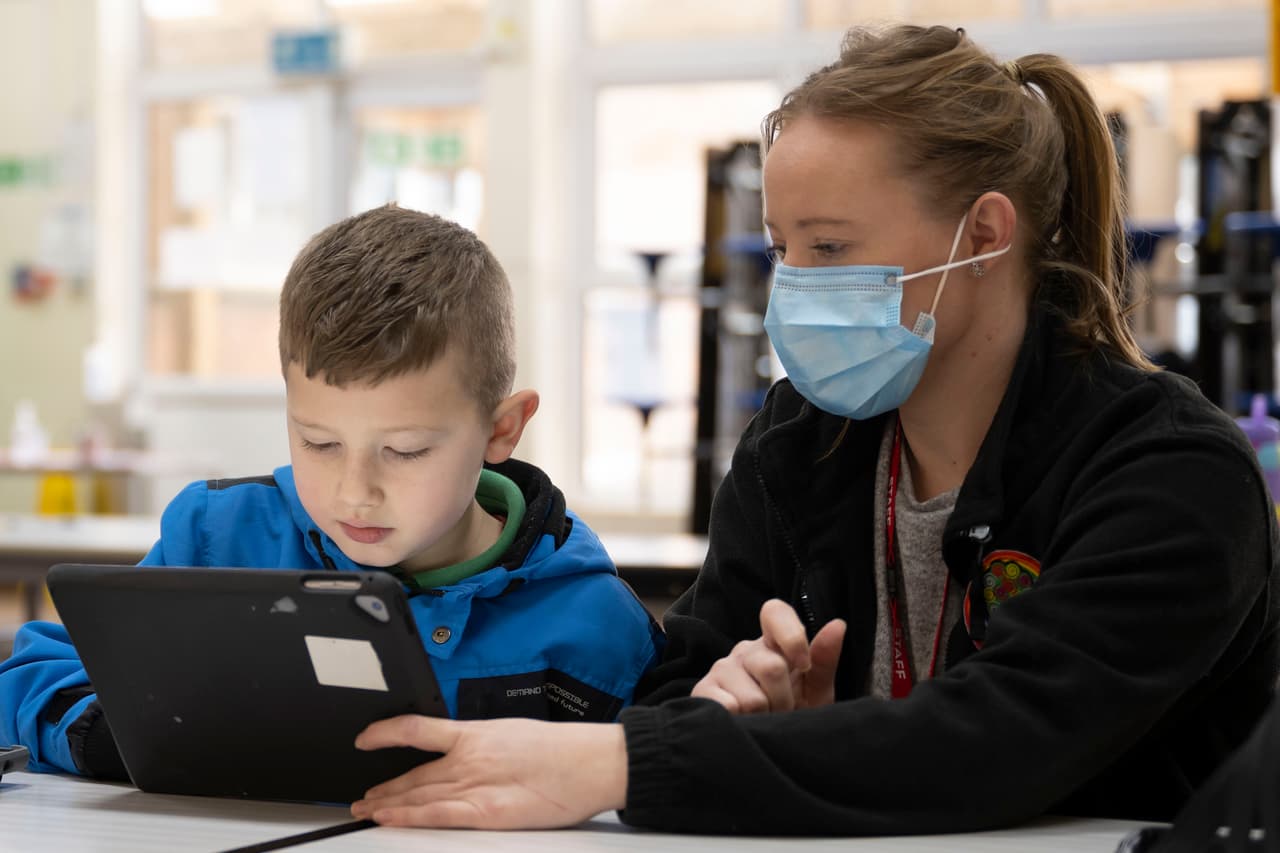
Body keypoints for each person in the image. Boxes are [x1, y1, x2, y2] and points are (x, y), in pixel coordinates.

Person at [336, 25, 1280, 835]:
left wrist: (614, 764)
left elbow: (1008, 736)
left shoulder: (1170, 469)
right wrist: (740, 709)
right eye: (784, 248)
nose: (795, 283)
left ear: (986, 234)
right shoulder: (800, 439)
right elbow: (676, 683)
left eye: (830, 247)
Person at [0, 205, 663, 779]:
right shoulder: (217, 539)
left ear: (502, 429)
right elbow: (33, 672)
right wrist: (108, 734)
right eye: (318, 442)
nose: (354, 493)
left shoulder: (595, 624)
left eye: (404, 451)